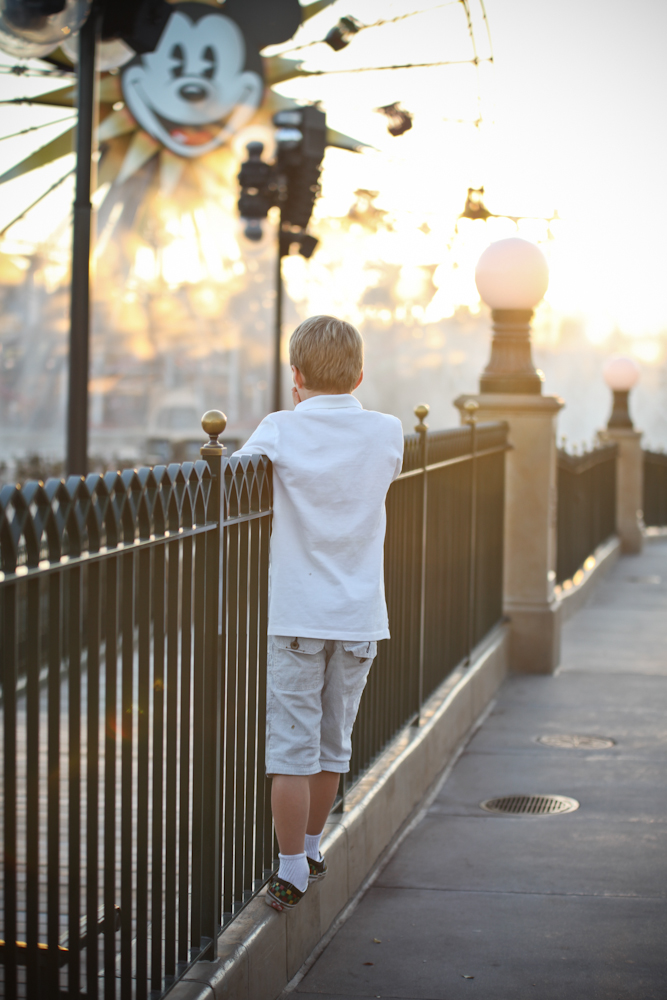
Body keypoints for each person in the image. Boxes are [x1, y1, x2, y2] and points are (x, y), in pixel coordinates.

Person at [232, 314, 404, 912]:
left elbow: (230, 482)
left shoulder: (280, 430)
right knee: (333, 745)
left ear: (295, 375)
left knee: (291, 750)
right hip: (359, 618)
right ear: (360, 374)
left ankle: (288, 871)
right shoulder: (387, 432)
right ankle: (310, 847)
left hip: (298, 618)